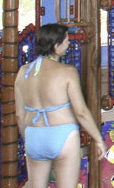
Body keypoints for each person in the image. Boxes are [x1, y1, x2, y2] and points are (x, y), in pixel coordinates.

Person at [15, 23, 106, 188]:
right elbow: (81, 112)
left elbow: (19, 115)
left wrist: (27, 139)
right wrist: (98, 138)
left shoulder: (23, 72)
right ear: (56, 46)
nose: (69, 44)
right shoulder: (67, 72)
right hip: (63, 135)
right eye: (66, 41)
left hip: (33, 135)